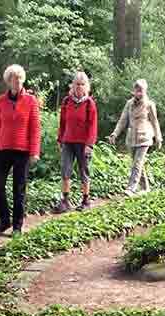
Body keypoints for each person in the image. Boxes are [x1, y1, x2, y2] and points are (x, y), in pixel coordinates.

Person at [0, 64, 41, 235]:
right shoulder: (1, 100)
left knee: (19, 189)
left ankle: (17, 226)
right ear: (8, 81)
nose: (16, 82)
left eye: (19, 78)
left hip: (22, 151)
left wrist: (34, 152)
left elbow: (35, 128)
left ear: (23, 80)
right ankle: (5, 220)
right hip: (4, 149)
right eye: (13, 79)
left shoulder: (31, 101)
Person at [108, 79, 163, 196]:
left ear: (145, 91)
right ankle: (145, 187)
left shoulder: (149, 105)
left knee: (137, 163)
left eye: (141, 91)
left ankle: (131, 188)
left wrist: (158, 138)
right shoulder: (129, 104)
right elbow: (123, 120)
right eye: (137, 90)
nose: (139, 93)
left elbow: (155, 122)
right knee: (137, 163)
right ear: (134, 91)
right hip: (132, 138)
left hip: (145, 138)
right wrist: (115, 133)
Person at [54, 71, 98, 213]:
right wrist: (60, 139)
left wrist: (89, 145)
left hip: (83, 143)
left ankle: (85, 200)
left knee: (83, 171)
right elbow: (62, 122)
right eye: (77, 84)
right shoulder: (67, 101)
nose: (79, 87)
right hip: (68, 141)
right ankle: (65, 201)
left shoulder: (89, 104)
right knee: (65, 171)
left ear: (87, 86)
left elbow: (92, 126)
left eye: (82, 84)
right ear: (72, 85)